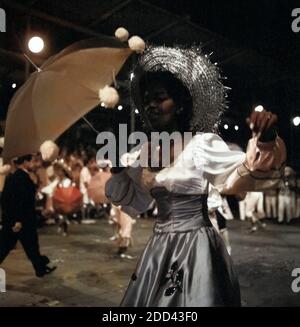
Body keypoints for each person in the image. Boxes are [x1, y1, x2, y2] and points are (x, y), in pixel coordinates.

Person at [105, 45, 286, 306]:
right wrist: (118, 170)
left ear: (178, 105)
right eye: (147, 100)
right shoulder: (144, 151)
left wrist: (266, 142)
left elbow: (241, 176)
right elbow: (136, 200)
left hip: (196, 247)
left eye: (159, 97)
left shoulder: (201, 145)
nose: (151, 105)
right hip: (159, 249)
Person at [0, 154, 56, 277]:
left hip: (23, 221)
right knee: (4, 247)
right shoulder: (20, 178)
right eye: (34, 161)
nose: (37, 164)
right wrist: (17, 220)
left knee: (31, 246)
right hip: (19, 222)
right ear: (25, 162)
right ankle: (40, 267)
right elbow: (16, 201)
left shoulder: (19, 176)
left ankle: (40, 268)